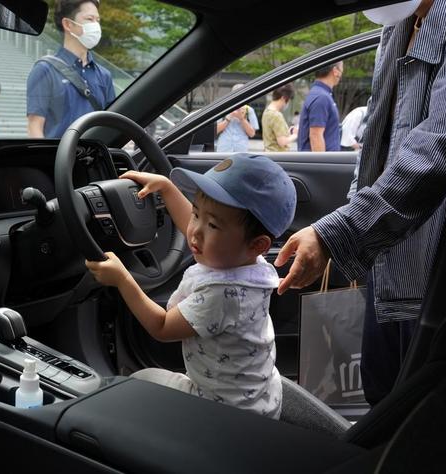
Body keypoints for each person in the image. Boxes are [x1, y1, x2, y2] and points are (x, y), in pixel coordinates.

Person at [275, 0, 446, 406]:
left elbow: (437, 151)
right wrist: (348, 225)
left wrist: (339, 235)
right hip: (388, 267)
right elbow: (376, 145)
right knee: (382, 398)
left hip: (435, 274)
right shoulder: (397, 27)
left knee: (416, 416)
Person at [86, 154, 297, 418]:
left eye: (212, 225)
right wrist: (167, 188)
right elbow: (197, 226)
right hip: (256, 396)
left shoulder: (223, 295)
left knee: (140, 380)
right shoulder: (250, 265)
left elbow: (162, 327)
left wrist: (122, 279)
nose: (195, 231)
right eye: (197, 214)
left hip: (221, 409)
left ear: (257, 245)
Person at [26, 0, 115, 139]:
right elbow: (34, 127)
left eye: (97, 20)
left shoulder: (104, 75)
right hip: (58, 152)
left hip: (94, 152)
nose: (96, 26)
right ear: (68, 24)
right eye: (89, 19)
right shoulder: (44, 70)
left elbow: (112, 124)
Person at [297, 61, 343, 152]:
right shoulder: (322, 97)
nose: (341, 75)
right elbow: (316, 135)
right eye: (341, 70)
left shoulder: (319, 94)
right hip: (325, 160)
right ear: (335, 71)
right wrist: (323, 161)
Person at [216, 84, 259, 153]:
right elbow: (216, 130)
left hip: (241, 148)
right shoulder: (224, 109)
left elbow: (252, 134)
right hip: (224, 147)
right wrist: (229, 117)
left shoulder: (249, 110)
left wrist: (242, 119)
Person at [262, 84, 298, 152]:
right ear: (283, 98)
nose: (287, 104)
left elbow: (273, 136)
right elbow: (282, 142)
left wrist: (287, 132)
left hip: (268, 153)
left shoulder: (267, 111)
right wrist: (295, 135)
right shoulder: (277, 115)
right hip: (278, 155)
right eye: (288, 100)